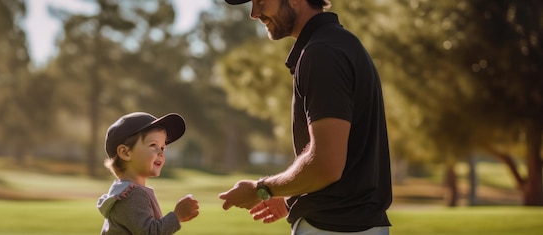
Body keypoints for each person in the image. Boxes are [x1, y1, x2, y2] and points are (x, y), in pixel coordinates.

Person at [219, 0, 392, 234]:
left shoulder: (321, 53)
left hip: (332, 229)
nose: (254, 13)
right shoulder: (339, 44)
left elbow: (326, 165)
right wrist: (291, 194)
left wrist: (262, 189)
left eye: (260, 1)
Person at [97, 112, 199, 235]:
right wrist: (177, 216)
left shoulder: (125, 190)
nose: (161, 153)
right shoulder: (132, 194)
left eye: (163, 147)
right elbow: (150, 232)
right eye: (153, 145)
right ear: (125, 152)